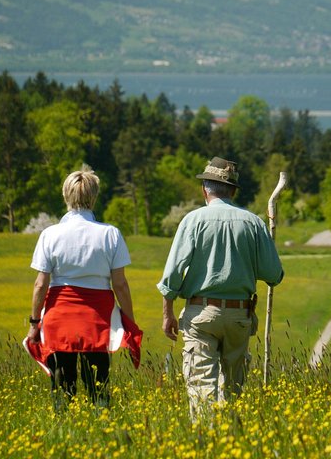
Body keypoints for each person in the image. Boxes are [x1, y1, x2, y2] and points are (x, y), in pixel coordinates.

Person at [158, 156, 283, 419]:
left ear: (205, 188)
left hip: (201, 313)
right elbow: (273, 275)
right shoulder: (253, 223)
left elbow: (173, 273)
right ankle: (231, 441)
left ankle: (207, 443)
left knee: (202, 389)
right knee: (233, 391)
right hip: (240, 315)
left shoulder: (193, 221)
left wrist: (167, 311)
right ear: (234, 190)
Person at [26, 165, 136, 410]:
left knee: (62, 384)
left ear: (66, 196)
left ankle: (64, 430)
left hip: (59, 315)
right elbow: (120, 284)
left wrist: (34, 322)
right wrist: (129, 320)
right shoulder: (111, 234)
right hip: (96, 317)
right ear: (94, 197)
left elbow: (40, 284)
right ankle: (100, 426)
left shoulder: (50, 234)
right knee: (98, 383)